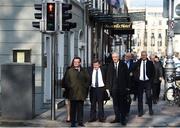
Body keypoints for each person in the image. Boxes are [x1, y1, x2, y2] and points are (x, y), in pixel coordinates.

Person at [64, 57, 90, 127]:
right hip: (73, 93)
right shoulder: (69, 71)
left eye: (77, 62)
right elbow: (66, 81)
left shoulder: (84, 71)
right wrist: (70, 87)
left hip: (81, 93)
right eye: (74, 62)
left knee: (80, 109)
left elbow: (88, 80)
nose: (76, 63)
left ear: (80, 63)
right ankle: (73, 123)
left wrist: (85, 87)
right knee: (73, 109)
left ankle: (80, 122)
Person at [106, 52, 129, 126]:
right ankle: (117, 118)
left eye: (116, 57)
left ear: (118, 57)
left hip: (122, 88)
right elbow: (108, 77)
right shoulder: (110, 65)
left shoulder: (123, 65)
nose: (114, 58)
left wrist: (128, 87)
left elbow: (127, 77)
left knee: (122, 104)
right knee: (115, 104)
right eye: (113, 57)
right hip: (114, 88)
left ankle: (123, 119)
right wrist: (108, 88)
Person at [133, 51, 155, 117]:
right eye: (142, 55)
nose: (143, 56)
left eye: (145, 55)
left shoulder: (150, 63)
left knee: (149, 96)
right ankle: (140, 111)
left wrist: (151, 81)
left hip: (147, 82)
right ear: (141, 55)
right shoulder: (138, 63)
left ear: (146, 55)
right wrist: (136, 78)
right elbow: (133, 70)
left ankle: (150, 109)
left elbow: (153, 72)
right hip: (140, 82)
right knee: (140, 98)